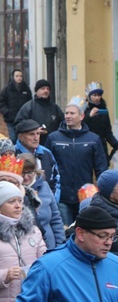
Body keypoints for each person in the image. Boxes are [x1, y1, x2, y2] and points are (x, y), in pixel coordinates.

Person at [46, 97, 107, 226]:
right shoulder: (54, 138)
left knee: (84, 231)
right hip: (62, 195)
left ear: (82, 116)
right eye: (66, 113)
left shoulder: (93, 139)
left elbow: (101, 167)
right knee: (66, 231)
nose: (68, 116)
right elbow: (47, 165)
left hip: (85, 196)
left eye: (72, 113)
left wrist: (101, 193)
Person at [20, 153, 65, 250]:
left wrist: (60, 246)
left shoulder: (44, 186)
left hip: (49, 245)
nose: (26, 177)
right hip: (27, 247)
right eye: (22, 173)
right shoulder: (14, 190)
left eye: (30, 172)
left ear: (35, 171)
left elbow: (55, 219)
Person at [15, 119, 60, 199]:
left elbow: (56, 178)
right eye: (31, 134)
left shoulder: (47, 153)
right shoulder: (12, 154)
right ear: (21, 137)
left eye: (38, 134)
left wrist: (52, 200)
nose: (36, 138)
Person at [14, 79, 64, 145]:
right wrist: (34, 131)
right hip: (32, 146)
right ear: (36, 91)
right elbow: (18, 125)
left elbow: (63, 124)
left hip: (52, 144)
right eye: (43, 89)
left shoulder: (55, 107)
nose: (46, 91)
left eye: (47, 89)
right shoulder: (28, 107)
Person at [83, 81, 118, 159]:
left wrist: (115, 144)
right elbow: (79, 125)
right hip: (86, 145)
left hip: (101, 146)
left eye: (99, 95)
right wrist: (89, 116)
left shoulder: (104, 110)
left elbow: (107, 132)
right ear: (89, 96)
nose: (97, 98)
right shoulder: (83, 109)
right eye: (94, 95)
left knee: (103, 169)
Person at [0, 69, 32, 140]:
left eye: (20, 76)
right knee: (13, 138)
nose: (19, 78)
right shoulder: (7, 89)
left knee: (22, 138)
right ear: (13, 77)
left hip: (23, 119)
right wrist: (7, 112)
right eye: (17, 76)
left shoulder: (26, 89)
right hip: (11, 119)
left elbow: (30, 103)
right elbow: (1, 103)